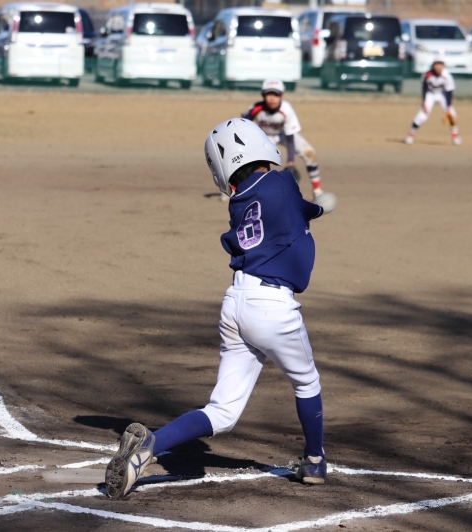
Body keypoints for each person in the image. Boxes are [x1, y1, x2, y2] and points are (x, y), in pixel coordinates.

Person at [105, 119, 337, 499]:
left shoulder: (239, 201)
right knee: (307, 383)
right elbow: (299, 207)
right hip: (272, 307)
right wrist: (320, 209)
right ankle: (314, 461)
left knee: (223, 411)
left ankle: (151, 443)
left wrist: (309, 212)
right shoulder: (282, 181)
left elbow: (284, 215)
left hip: (236, 305)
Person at [241, 79, 325, 203]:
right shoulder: (256, 108)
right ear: (263, 95)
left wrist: (290, 162)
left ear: (282, 95)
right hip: (265, 137)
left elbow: (291, 138)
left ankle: (317, 190)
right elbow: (243, 124)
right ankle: (240, 189)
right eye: (268, 94)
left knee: (310, 153)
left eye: (276, 94)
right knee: (253, 162)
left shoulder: (286, 110)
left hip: (284, 135)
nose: (272, 98)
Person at [404, 57, 462, 146]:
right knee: (422, 115)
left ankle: (455, 137)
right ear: (433, 65)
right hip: (430, 94)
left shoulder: (447, 76)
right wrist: (424, 101)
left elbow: (449, 92)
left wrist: (449, 106)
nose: (438, 66)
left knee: (452, 114)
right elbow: (424, 88)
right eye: (436, 64)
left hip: (443, 94)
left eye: (440, 64)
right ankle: (410, 135)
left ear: (444, 65)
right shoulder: (428, 74)